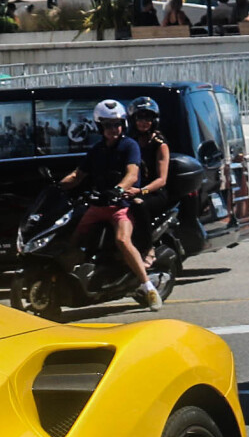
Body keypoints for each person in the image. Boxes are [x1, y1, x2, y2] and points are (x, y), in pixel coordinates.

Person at [61, 98, 159, 308]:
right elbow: (78, 174)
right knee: (73, 236)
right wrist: (57, 185)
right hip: (98, 206)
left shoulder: (129, 145)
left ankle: (147, 286)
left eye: (116, 124)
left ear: (123, 124)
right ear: (100, 127)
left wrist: (118, 190)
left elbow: (132, 174)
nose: (113, 129)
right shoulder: (96, 150)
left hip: (121, 206)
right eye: (108, 125)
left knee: (123, 240)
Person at [126, 97, 173, 220]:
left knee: (138, 204)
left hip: (153, 192)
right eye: (139, 118)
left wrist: (141, 191)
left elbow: (162, 180)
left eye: (148, 118)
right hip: (130, 189)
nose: (144, 122)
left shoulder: (159, 144)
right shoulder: (129, 142)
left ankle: (144, 240)